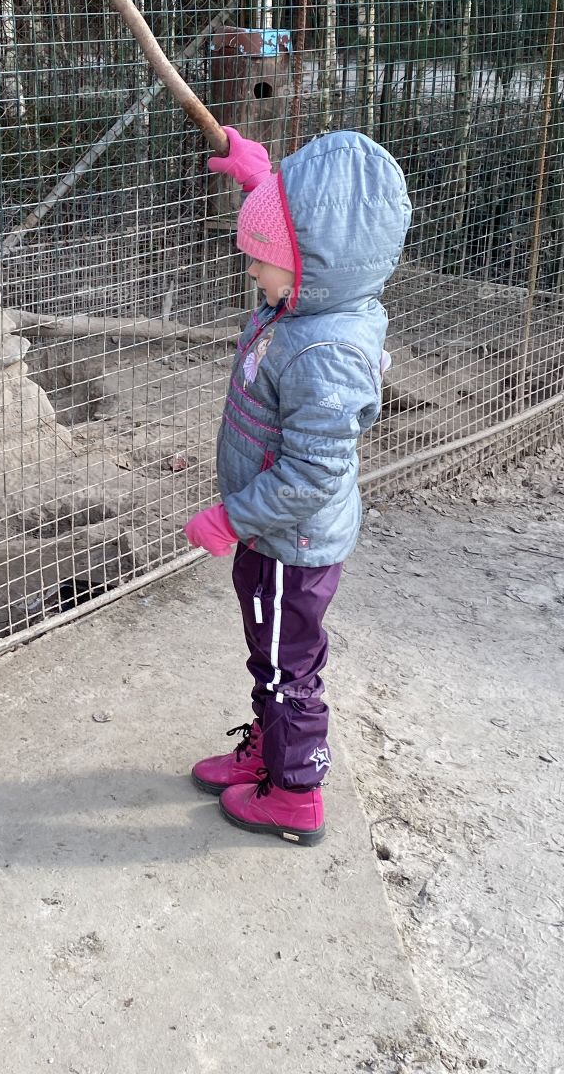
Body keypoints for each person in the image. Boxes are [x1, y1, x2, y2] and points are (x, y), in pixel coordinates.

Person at [184, 126, 412, 846]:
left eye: (262, 262)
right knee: (274, 656)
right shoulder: (315, 301)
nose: (252, 272)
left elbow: (315, 473)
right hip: (274, 535)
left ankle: (296, 792)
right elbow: (304, 234)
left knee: (289, 670)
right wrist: (265, 184)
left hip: (289, 538)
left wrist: (233, 517)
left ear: (311, 266)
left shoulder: (325, 351)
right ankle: (271, 749)